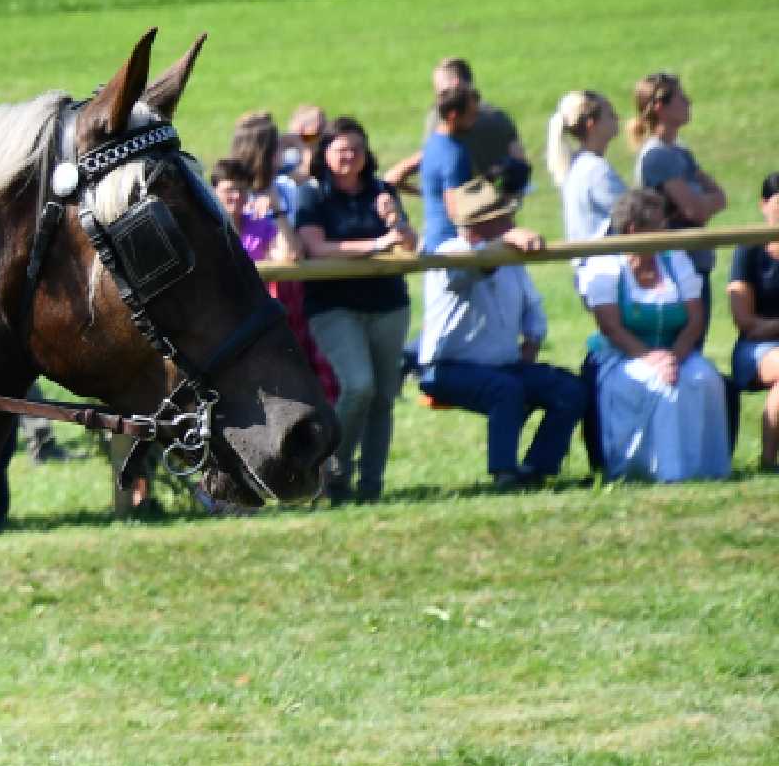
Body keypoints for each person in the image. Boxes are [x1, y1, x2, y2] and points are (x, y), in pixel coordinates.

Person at [415, 179, 587, 489]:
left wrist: (532, 342)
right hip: (446, 369)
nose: (512, 221)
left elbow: (533, 306)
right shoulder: (450, 252)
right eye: (503, 218)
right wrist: (505, 240)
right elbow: (471, 270)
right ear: (479, 227)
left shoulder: (510, 257)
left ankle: (537, 470)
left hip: (504, 366)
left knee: (569, 389)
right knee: (505, 390)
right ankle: (505, 475)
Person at [293, 118, 413, 503]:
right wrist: (378, 244)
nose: (349, 156)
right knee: (359, 385)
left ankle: (372, 485)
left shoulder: (382, 191)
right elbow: (315, 247)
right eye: (341, 149)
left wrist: (394, 219)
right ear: (325, 154)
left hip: (389, 305)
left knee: (383, 397)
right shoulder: (312, 195)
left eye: (356, 149)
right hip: (334, 307)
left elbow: (409, 245)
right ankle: (334, 471)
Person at [575, 189, 728, 482]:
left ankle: (707, 468)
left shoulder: (675, 260)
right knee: (660, 385)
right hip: (621, 356)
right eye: (659, 226)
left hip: (675, 351)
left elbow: (695, 318)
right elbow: (611, 327)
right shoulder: (605, 265)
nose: (665, 232)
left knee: (705, 378)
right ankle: (660, 471)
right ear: (634, 230)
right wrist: (651, 359)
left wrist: (675, 356)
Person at [212, 158, 337, 406]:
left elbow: (291, 254)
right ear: (214, 191)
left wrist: (277, 210)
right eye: (229, 190)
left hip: (258, 322)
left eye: (242, 190)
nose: (236, 197)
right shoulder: (208, 229)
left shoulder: (258, 225)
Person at [410, 74, 542, 254]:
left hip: (439, 245)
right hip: (451, 249)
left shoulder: (435, 143)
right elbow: (457, 212)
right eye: (471, 115)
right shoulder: (453, 154)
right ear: (453, 115)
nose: (475, 120)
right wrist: (507, 233)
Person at [724, 172, 779, 471]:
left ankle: (768, 463)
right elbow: (745, 322)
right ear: (763, 205)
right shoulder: (749, 249)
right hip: (755, 349)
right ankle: (769, 461)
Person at [627, 71, 725, 228]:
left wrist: (703, 202)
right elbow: (695, 211)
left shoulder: (679, 150)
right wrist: (706, 202)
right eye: (681, 98)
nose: (688, 102)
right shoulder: (657, 156)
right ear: (660, 107)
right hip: (672, 243)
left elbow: (721, 197)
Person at [549, 87, 625, 242]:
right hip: (605, 256)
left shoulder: (577, 164)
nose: (617, 117)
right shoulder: (596, 170)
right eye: (610, 114)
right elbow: (632, 215)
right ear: (591, 124)